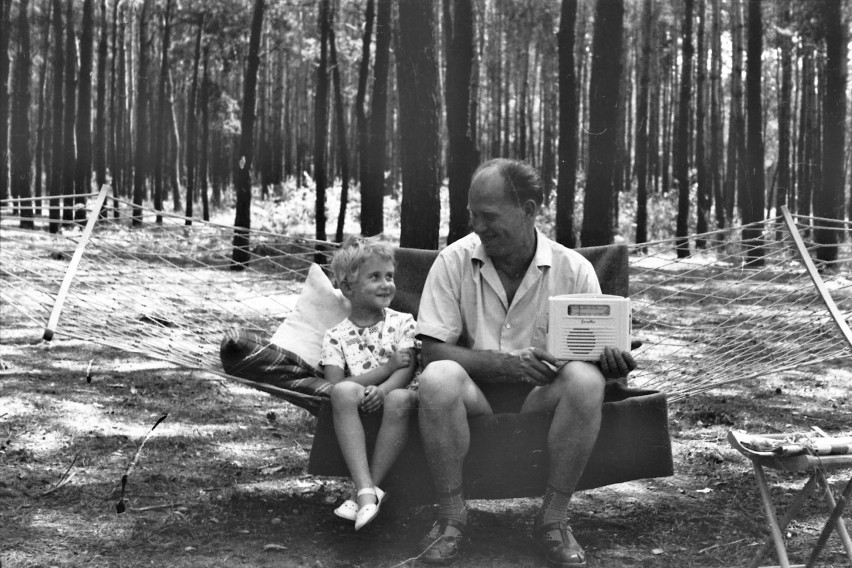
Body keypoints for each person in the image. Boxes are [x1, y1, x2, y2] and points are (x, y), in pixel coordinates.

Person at [414, 158, 637, 567]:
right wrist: (506, 364)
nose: (478, 226)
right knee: (436, 378)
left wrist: (612, 363)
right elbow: (431, 351)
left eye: (489, 215)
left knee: (587, 380)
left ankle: (553, 519)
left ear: (530, 210)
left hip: (543, 399)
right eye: (472, 215)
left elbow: (591, 360)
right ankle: (450, 516)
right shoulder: (452, 261)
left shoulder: (575, 269)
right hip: (473, 396)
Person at [320, 237, 418, 531]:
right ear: (348, 287)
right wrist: (383, 372)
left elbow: (408, 367)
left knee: (399, 397)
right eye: (374, 277)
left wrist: (384, 389)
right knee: (344, 391)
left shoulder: (403, 322)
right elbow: (336, 385)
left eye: (389, 276)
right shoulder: (335, 336)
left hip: (399, 395)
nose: (386, 284)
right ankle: (368, 489)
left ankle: (363, 492)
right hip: (359, 400)